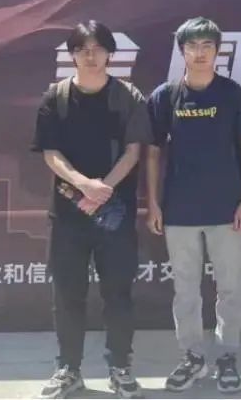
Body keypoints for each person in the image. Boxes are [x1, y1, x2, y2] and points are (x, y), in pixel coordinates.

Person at [31, 21, 153, 399]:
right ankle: (69, 369)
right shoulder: (56, 97)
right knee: (68, 295)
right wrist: (83, 184)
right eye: (82, 49)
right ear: (72, 55)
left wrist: (104, 189)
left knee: (118, 294)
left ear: (110, 54)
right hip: (68, 216)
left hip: (114, 217)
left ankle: (120, 369)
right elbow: (50, 152)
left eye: (98, 48)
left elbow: (134, 151)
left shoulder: (128, 97)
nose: (90, 55)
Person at [146, 18, 241, 394]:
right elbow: (152, 154)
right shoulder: (165, 96)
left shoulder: (233, 94)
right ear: (182, 51)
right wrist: (153, 203)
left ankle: (227, 356)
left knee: (229, 288)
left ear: (217, 51)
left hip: (227, 210)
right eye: (192, 46)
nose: (199, 53)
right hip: (178, 211)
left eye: (207, 46)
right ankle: (192, 357)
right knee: (186, 290)